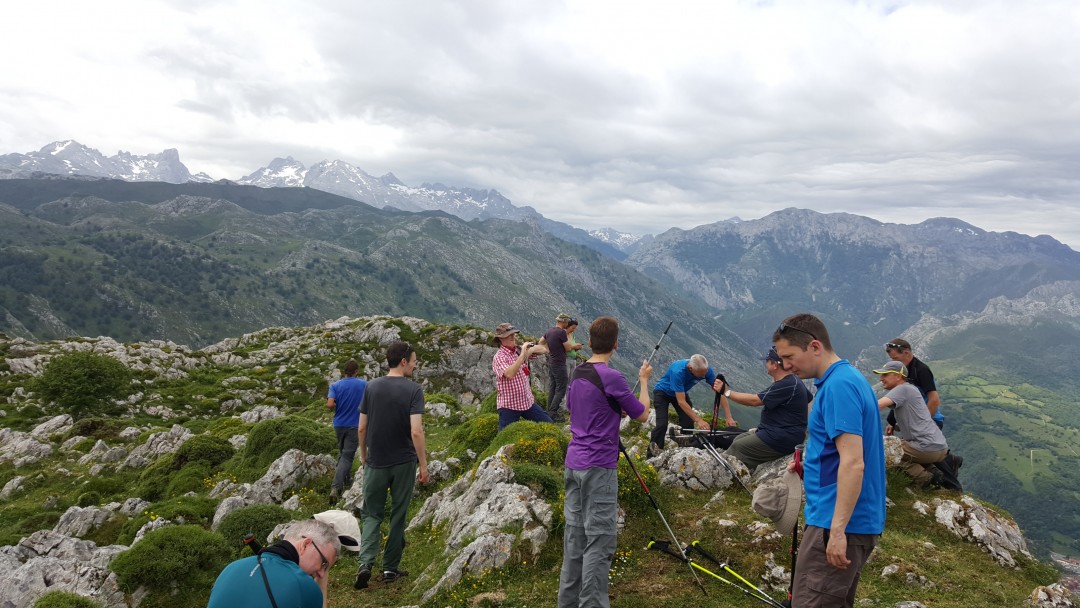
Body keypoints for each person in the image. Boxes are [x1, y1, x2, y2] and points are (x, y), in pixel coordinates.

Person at [772, 313, 885, 608]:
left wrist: (836, 532)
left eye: (789, 356)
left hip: (836, 524)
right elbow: (839, 454)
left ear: (815, 347)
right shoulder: (843, 380)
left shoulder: (839, 387)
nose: (785, 365)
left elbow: (853, 463)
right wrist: (808, 465)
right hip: (841, 520)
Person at [558, 316, 652, 608]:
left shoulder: (578, 373)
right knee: (599, 541)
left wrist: (611, 409)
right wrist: (645, 381)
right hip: (599, 466)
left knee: (574, 538)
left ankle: (568, 603)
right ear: (615, 344)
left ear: (588, 342)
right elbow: (642, 414)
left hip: (574, 463)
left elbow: (574, 408)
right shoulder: (612, 377)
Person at [355, 341, 429, 589]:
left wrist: (364, 455)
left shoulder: (371, 387)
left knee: (372, 514)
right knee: (398, 514)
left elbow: (362, 426)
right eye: (415, 360)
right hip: (403, 462)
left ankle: (365, 563)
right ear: (404, 361)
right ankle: (389, 568)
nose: (416, 364)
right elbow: (416, 431)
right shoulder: (414, 390)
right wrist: (424, 465)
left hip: (376, 461)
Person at [208, 518, 348, 608]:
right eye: (324, 564)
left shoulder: (231, 568)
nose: (322, 574)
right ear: (305, 545)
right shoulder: (303, 585)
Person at [714, 346, 811, 471]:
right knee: (739, 438)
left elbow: (755, 400)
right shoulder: (792, 381)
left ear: (775, 364)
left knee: (738, 446)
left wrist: (727, 392)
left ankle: (725, 475)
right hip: (779, 433)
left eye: (768, 361)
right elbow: (808, 398)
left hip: (780, 437)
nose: (765, 364)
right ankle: (746, 469)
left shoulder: (787, 384)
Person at [874, 360, 950, 488]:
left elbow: (875, 406)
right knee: (895, 445)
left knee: (884, 450)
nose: (881, 378)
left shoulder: (902, 389)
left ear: (898, 376)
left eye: (885, 375)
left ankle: (924, 478)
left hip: (926, 448)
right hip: (939, 447)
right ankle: (932, 471)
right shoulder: (911, 389)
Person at [648, 354, 722, 454]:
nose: (704, 376)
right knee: (662, 424)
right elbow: (681, 402)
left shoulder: (705, 370)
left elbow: (719, 390)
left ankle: (685, 447)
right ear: (690, 368)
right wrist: (699, 420)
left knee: (688, 422)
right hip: (662, 392)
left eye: (705, 373)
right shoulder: (678, 371)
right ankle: (653, 453)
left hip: (680, 392)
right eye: (700, 374)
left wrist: (729, 416)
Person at [492, 322, 554, 430]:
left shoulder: (518, 350)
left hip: (526, 402)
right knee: (505, 436)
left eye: (513, 334)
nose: (513, 336)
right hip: (509, 406)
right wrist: (523, 355)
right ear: (501, 339)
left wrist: (531, 349)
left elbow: (544, 349)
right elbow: (510, 374)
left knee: (548, 424)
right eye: (509, 335)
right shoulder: (499, 357)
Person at [326, 359, 366, 501]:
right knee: (347, 456)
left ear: (344, 371)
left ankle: (346, 480)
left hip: (339, 424)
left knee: (342, 453)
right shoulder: (363, 384)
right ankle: (336, 488)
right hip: (354, 425)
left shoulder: (335, 385)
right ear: (356, 371)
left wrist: (338, 402)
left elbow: (330, 404)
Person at [885, 338, 944, 430]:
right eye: (892, 359)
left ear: (906, 353)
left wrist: (924, 424)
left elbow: (934, 400)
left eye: (896, 358)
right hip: (914, 421)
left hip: (930, 421)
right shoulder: (903, 371)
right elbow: (901, 398)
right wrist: (891, 423)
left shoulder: (921, 370)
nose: (893, 362)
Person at [542, 313, 584, 420]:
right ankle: (552, 414)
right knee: (561, 389)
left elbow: (541, 342)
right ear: (564, 321)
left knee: (553, 387)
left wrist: (549, 349)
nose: (567, 324)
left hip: (552, 361)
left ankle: (549, 411)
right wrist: (575, 346)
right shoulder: (561, 332)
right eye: (566, 322)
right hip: (559, 363)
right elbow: (568, 348)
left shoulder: (550, 331)